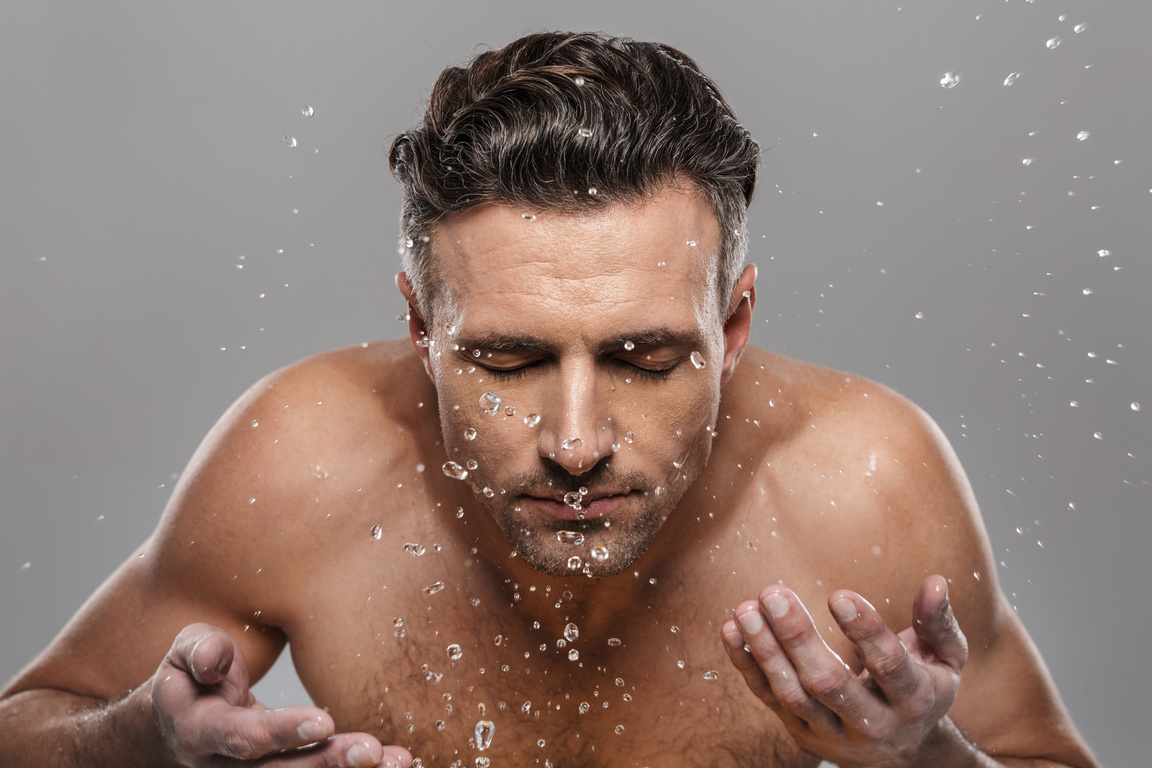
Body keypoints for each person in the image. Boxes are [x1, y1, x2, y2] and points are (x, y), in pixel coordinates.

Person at [0, 31, 1099, 768]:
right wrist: (143, 736)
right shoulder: (302, 458)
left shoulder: (868, 482)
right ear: (423, 330)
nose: (575, 443)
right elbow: (27, 727)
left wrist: (933, 758)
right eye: (510, 363)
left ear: (735, 327)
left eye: (647, 359)